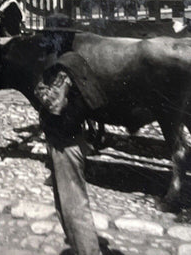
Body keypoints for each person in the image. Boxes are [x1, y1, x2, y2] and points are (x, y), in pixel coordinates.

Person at [34, 14, 107, 255]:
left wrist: (40, 87)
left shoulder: (62, 68)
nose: (45, 40)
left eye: (49, 35)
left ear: (58, 38)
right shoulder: (76, 61)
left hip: (64, 143)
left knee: (74, 207)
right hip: (71, 139)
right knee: (67, 204)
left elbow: (52, 103)